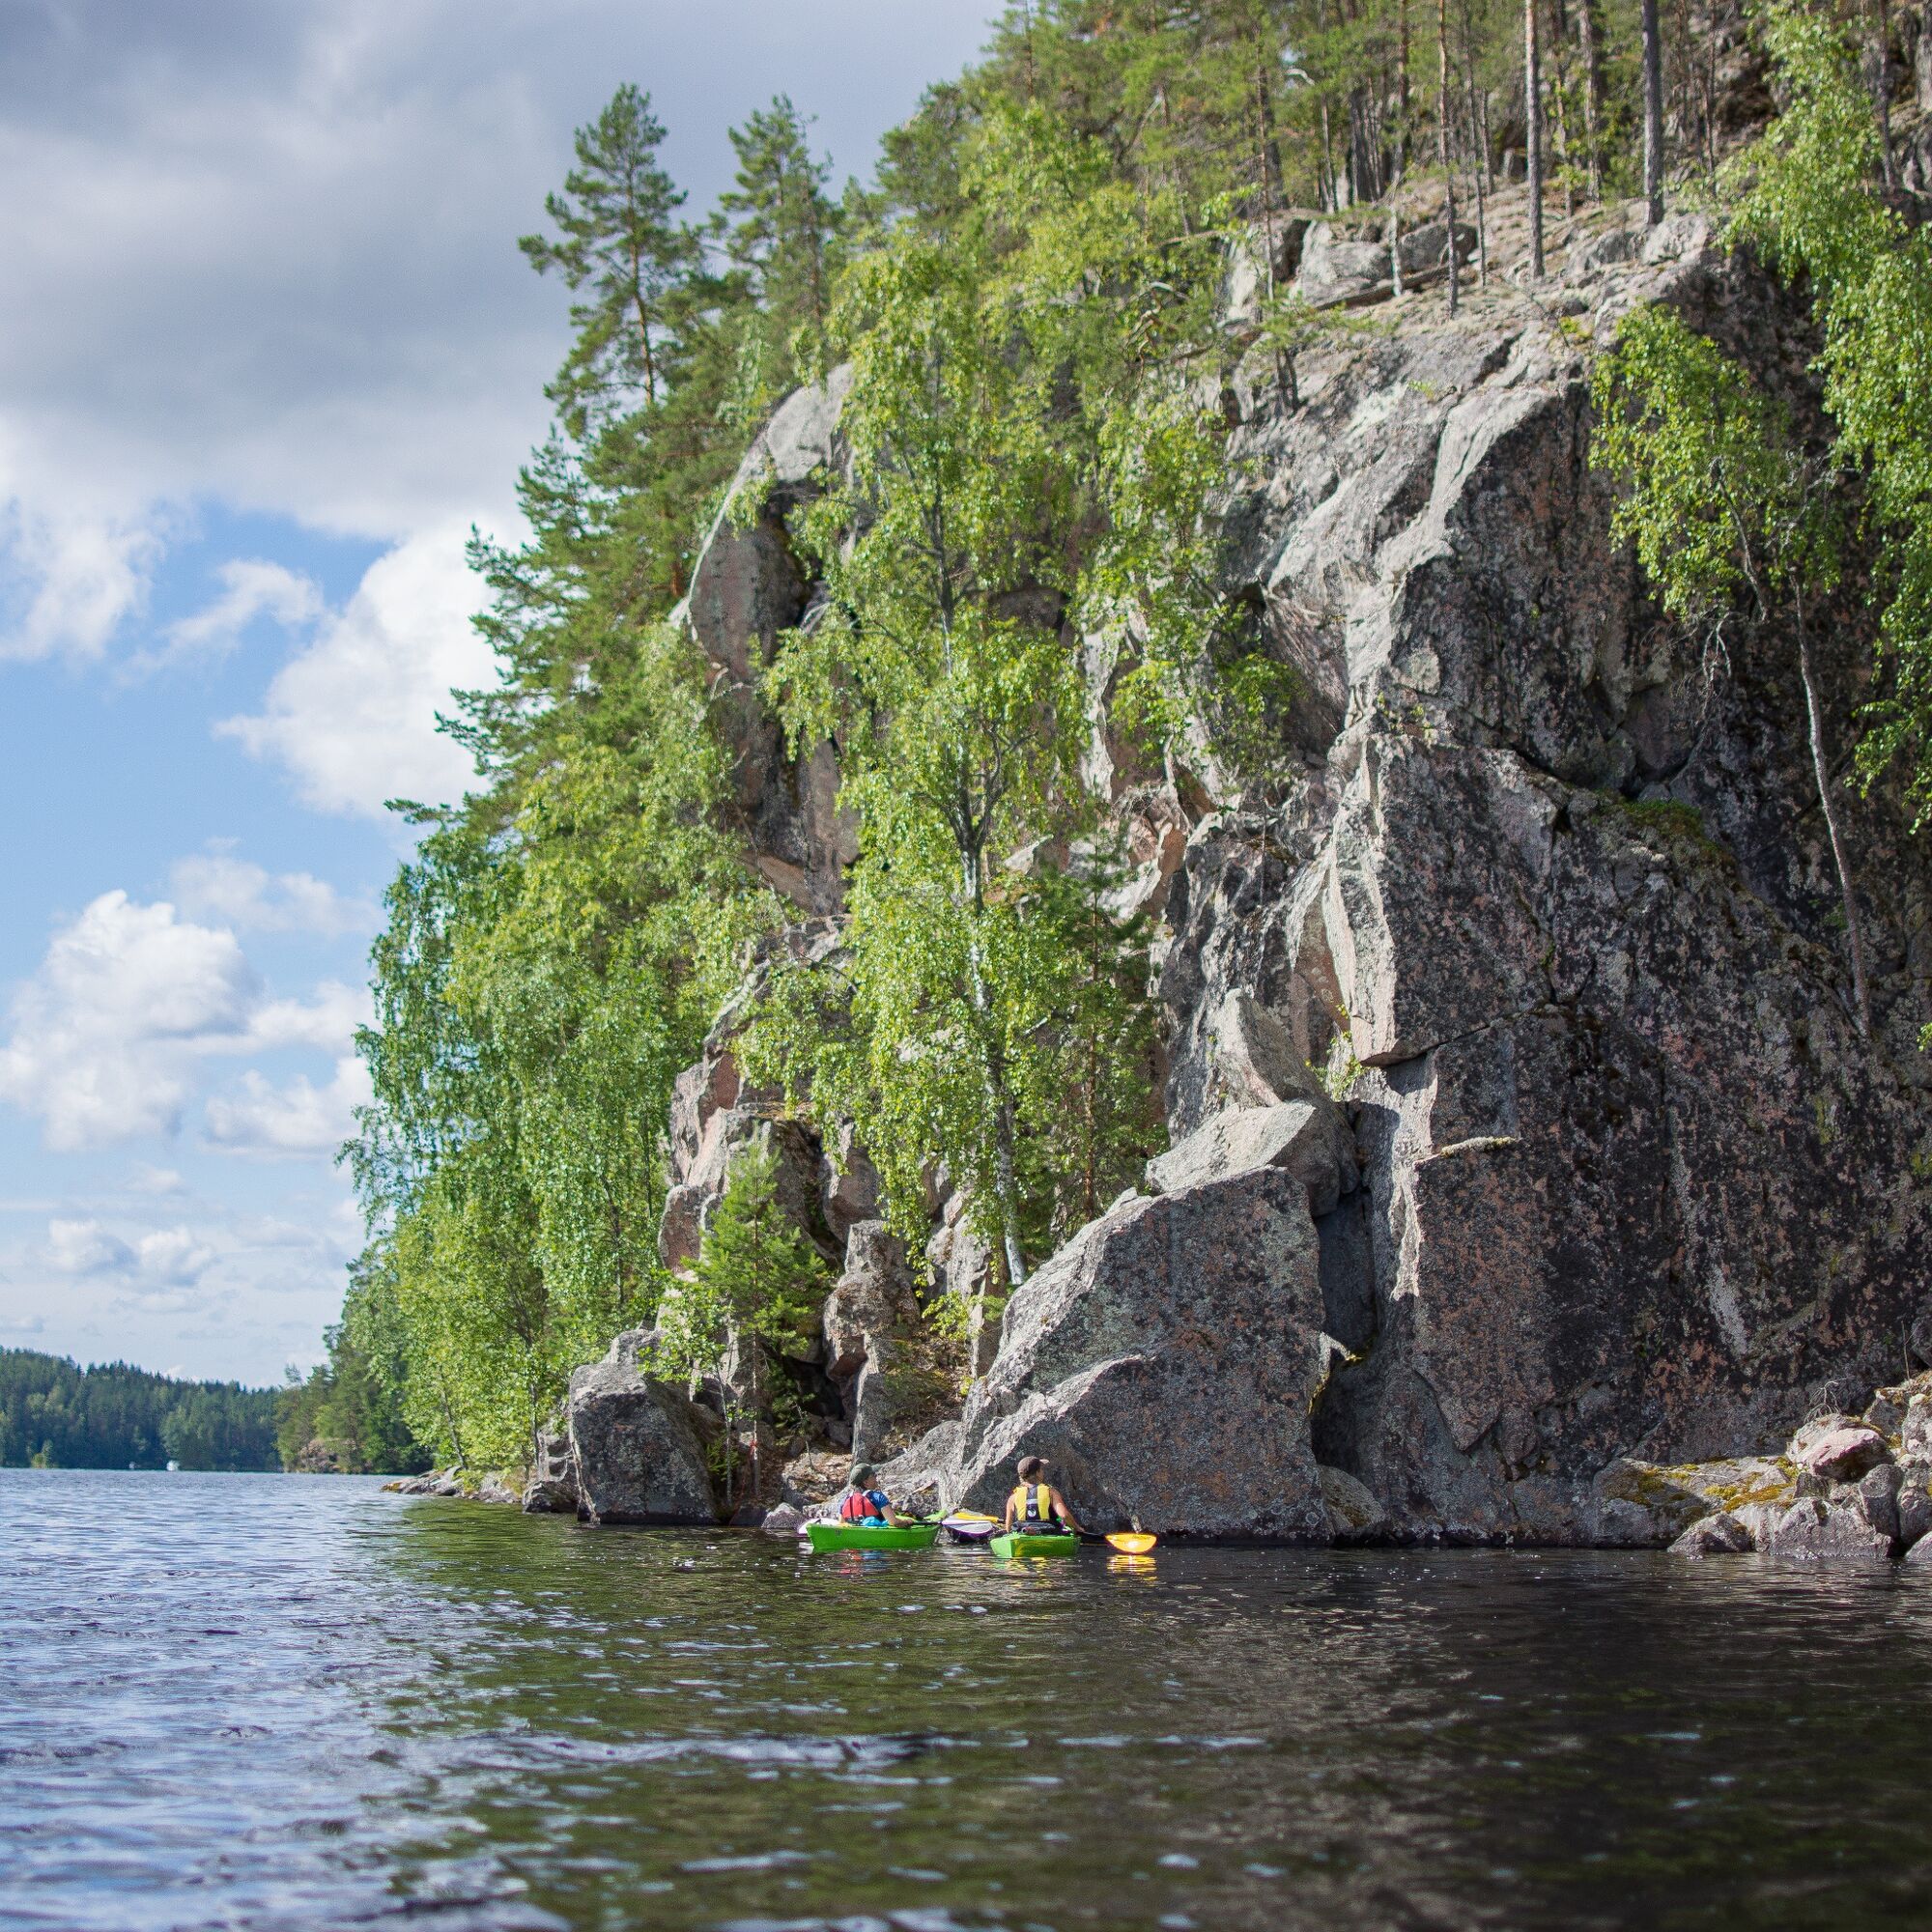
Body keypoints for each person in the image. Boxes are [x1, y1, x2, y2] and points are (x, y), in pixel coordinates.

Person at [1003, 1455, 1084, 1535]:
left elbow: (1008, 1527)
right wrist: (1077, 1528)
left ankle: (1029, 1531)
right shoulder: (1051, 1492)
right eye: (1041, 1469)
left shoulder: (1013, 1497)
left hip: (1022, 1532)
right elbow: (1064, 1515)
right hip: (1048, 1533)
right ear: (1038, 1473)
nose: (1043, 1471)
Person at [838, 1466, 911, 1526]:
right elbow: (893, 1522)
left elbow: (841, 1523)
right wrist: (907, 1522)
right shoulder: (878, 1497)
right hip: (877, 1534)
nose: (876, 1477)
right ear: (865, 1482)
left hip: (854, 1533)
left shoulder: (846, 1499)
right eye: (873, 1475)